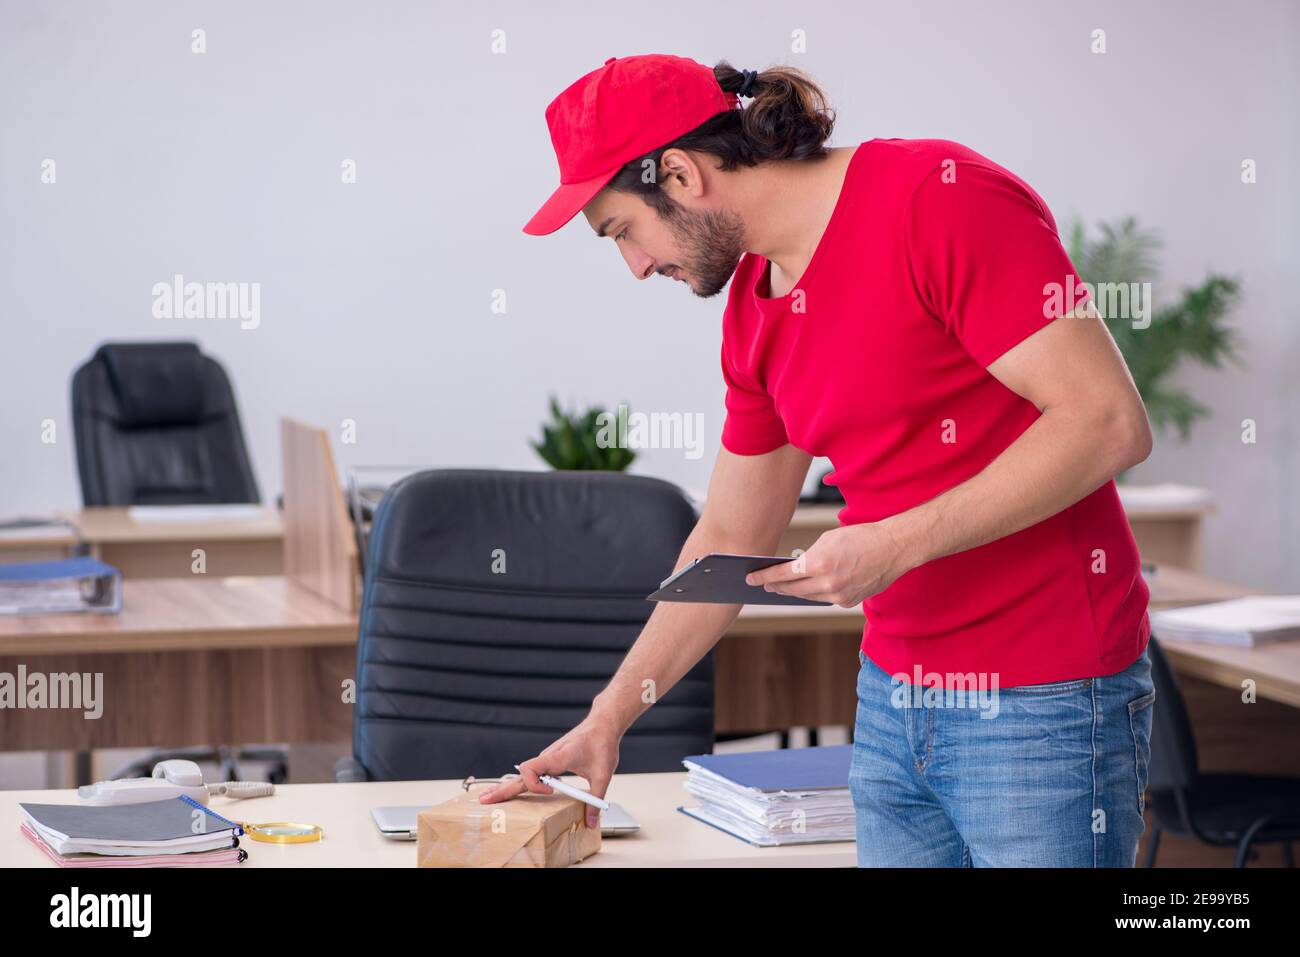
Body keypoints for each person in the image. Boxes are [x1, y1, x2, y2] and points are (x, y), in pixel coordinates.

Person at [481, 54, 1156, 867]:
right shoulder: (756, 307)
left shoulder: (937, 200)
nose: (635, 265)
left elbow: (1108, 421)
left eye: (623, 230)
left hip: (1044, 699)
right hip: (890, 703)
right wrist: (608, 718)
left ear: (682, 175)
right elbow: (728, 533)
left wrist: (893, 542)